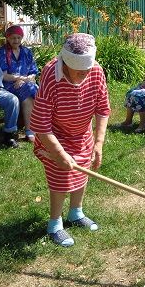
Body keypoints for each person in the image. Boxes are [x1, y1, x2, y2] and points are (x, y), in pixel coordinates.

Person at [30, 33, 110, 247]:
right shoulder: (50, 74)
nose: (84, 75)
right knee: (62, 173)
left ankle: (76, 212)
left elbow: (102, 108)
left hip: (82, 133)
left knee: (83, 168)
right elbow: (41, 125)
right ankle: (55, 224)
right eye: (78, 71)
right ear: (65, 63)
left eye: (87, 70)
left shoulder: (95, 71)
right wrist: (59, 153)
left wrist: (99, 144)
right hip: (55, 134)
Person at [0, 25, 39, 142]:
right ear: (7, 38)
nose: (16, 40)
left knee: (30, 91)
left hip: (24, 83)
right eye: (13, 38)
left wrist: (26, 79)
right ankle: (31, 130)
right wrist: (21, 79)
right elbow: (3, 75)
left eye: (19, 38)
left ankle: (32, 129)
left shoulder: (26, 51)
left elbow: (33, 72)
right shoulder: (1, 52)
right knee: (33, 90)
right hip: (8, 85)